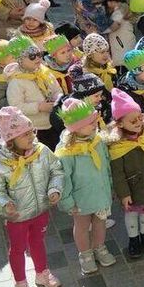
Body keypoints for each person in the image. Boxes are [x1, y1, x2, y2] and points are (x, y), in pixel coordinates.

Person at [0, 106, 63, 287]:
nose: (31, 137)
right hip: (17, 216)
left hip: (40, 210)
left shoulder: (42, 151)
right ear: (10, 141)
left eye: (31, 132)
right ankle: (20, 284)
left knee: (38, 241)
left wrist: (54, 189)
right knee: (17, 248)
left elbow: (56, 170)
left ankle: (42, 273)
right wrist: (5, 205)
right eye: (24, 134)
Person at [54, 98, 114, 274]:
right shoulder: (66, 152)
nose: (95, 125)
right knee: (81, 226)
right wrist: (67, 202)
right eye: (89, 123)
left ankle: (99, 247)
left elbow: (106, 165)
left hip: (100, 193)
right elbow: (63, 179)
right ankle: (85, 254)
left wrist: (110, 186)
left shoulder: (98, 141)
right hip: (80, 199)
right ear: (75, 128)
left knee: (100, 222)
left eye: (94, 121)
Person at [106, 88, 144, 258]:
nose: (139, 123)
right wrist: (123, 194)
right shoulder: (116, 144)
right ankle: (133, 240)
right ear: (120, 124)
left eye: (140, 118)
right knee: (131, 214)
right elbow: (117, 173)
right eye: (133, 121)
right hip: (131, 187)